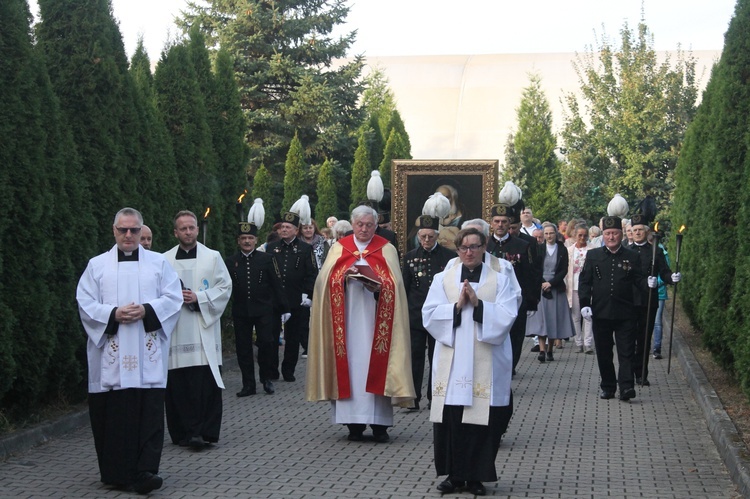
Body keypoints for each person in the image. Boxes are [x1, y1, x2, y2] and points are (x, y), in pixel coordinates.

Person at [76, 207, 182, 494]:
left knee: (148, 414)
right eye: (123, 229)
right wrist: (113, 314)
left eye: (134, 230)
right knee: (114, 417)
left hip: (147, 359)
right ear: (114, 230)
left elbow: (173, 299)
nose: (128, 234)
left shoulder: (159, 264)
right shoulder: (96, 266)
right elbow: (85, 303)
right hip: (110, 359)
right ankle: (116, 473)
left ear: (141, 231)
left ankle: (145, 471)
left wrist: (147, 310)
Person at [306, 205, 415, 443]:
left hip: (377, 322)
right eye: (360, 224)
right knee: (352, 367)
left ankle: (379, 425)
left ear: (376, 226)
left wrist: (378, 288)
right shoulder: (338, 248)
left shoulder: (387, 249)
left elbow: (395, 285)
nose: (364, 229)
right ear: (353, 225)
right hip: (345, 321)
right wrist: (342, 279)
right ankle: (353, 424)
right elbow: (323, 282)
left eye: (369, 225)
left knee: (376, 366)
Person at [423, 228, 518, 496]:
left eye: (474, 247)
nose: (469, 252)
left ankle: (476, 477)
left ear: (484, 247)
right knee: (452, 420)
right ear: (457, 250)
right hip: (452, 363)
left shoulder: (500, 280)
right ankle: (454, 476)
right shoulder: (443, 279)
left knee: (482, 421)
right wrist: (455, 307)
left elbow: (509, 314)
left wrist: (479, 305)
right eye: (463, 248)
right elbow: (428, 314)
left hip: (485, 362)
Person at [164, 210, 232, 449]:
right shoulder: (164, 260)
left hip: (203, 329)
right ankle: (183, 433)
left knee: (204, 384)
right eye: (183, 228)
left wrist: (199, 297)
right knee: (180, 385)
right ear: (175, 232)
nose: (188, 232)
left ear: (196, 229)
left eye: (191, 227)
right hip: (176, 330)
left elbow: (225, 287)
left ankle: (206, 432)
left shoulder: (212, 257)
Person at [578, 214, 650, 401]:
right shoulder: (593, 255)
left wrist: (649, 283)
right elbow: (585, 281)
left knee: (626, 352)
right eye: (608, 233)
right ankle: (608, 386)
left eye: (615, 234)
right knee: (603, 352)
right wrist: (585, 304)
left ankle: (626, 387)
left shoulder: (632, 256)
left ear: (621, 235)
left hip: (626, 312)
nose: (611, 237)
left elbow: (638, 280)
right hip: (601, 312)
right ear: (604, 234)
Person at [225, 220, 290, 397]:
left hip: (264, 310)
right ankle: (248, 384)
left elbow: (277, 284)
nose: (247, 241)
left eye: (250, 238)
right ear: (238, 240)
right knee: (243, 348)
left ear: (256, 240)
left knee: (266, 344)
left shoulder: (267, 259)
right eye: (243, 238)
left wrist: (284, 308)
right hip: (241, 311)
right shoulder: (231, 261)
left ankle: (266, 378)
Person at [402, 208, 455, 412]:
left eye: (430, 236)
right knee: (415, 359)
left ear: (437, 236)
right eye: (423, 236)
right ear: (418, 236)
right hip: (416, 315)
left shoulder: (448, 258)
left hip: (439, 316)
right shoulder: (410, 257)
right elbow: (405, 287)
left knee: (437, 358)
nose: (426, 239)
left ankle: (436, 397)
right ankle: (413, 398)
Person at [267, 198, 318, 381]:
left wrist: (308, 293)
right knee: (272, 336)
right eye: (282, 227)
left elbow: (312, 272)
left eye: (288, 227)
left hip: (296, 298)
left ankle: (288, 370)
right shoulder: (271, 248)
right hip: (274, 299)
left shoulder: (305, 248)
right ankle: (272, 370)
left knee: (293, 337)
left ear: (296, 230)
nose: (284, 230)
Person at [628, 214, 681, 385]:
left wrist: (671, 277)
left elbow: (664, 271)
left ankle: (642, 373)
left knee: (644, 338)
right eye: (634, 230)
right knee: (629, 339)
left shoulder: (655, 251)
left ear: (646, 232)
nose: (637, 233)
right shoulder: (625, 250)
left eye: (640, 230)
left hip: (647, 301)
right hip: (628, 301)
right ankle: (628, 373)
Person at [486, 203, 537, 373]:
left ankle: (510, 367)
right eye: (497, 221)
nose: (500, 225)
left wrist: (531, 302)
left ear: (509, 224)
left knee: (515, 336)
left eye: (504, 221)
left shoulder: (522, 246)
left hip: (514, 301)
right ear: (491, 223)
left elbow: (529, 275)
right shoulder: (484, 246)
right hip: (490, 301)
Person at [527, 223, 575, 362]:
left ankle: (550, 349)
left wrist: (551, 283)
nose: (549, 236)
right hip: (541, 287)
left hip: (556, 286)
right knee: (542, 320)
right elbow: (535, 268)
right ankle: (541, 350)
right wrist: (542, 282)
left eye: (551, 233)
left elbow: (564, 269)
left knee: (553, 319)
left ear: (556, 234)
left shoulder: (562, 249)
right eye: (546, 233)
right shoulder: (539, 249)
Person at [566, 224, 594, 354]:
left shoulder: (593, 250)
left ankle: (588, 343)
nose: (582, 238)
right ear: (575, 235)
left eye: (585, 235)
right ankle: (578, 343)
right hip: (574, 286)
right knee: (576, 316)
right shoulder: (570, 250)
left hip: (588, 287)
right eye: (580, 235)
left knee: (588, 316)